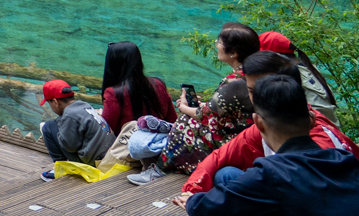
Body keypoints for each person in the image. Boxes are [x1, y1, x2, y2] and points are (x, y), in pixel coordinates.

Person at [171, 51, 359, 216]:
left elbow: (203, 210)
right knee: (233, 184)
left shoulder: (271, 176)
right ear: (310, 118)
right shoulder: (346, 162)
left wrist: (192, 199)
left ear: (258, 123)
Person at [160, 24, 260, 175]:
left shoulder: (234, 81)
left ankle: (166, 167)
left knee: (185, 122)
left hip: (235, 139)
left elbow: (204, 115)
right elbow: (219, 109)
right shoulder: (256, 72)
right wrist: (202, 105)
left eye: (219, 43)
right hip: (251, 133)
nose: (217, 46)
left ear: (233, 52)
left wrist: (183, 108)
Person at [100, 41, 176, 133]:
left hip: (126, 145)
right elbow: (173, 121)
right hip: (159, 143)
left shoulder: (113, 93)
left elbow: (107, 132)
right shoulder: (158, 84)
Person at [37, 79, 113, 171]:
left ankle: (60, 168)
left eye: (50, 104)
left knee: (47, 127)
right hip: (110, 155)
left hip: (94, 163)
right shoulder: (85, 105)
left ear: (55, 102)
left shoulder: (69, 115)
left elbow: (70, 147)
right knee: (57, 123)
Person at [258, 30, 339, 114]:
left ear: (276, 56)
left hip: (315, 124)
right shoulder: (309, 68)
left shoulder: (289, 76)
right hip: (330, 124)